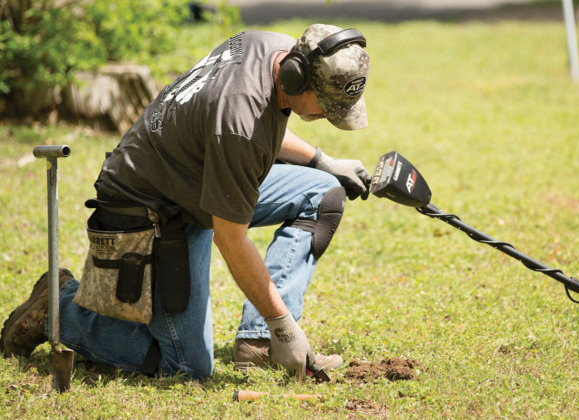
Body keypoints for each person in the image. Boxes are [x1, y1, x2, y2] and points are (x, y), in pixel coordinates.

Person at [1, 23, 371, 382]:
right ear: (296, 75)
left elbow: (259, 122)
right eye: (325, 104)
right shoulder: (239, 125)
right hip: (150, 209)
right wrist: (285, 325)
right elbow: (231, 238)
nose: (325, 114)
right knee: (187, 365)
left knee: (321, 192)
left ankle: (258, 341)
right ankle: (57, 307)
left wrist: (323, 161)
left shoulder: (272, 46)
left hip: (198, 177)